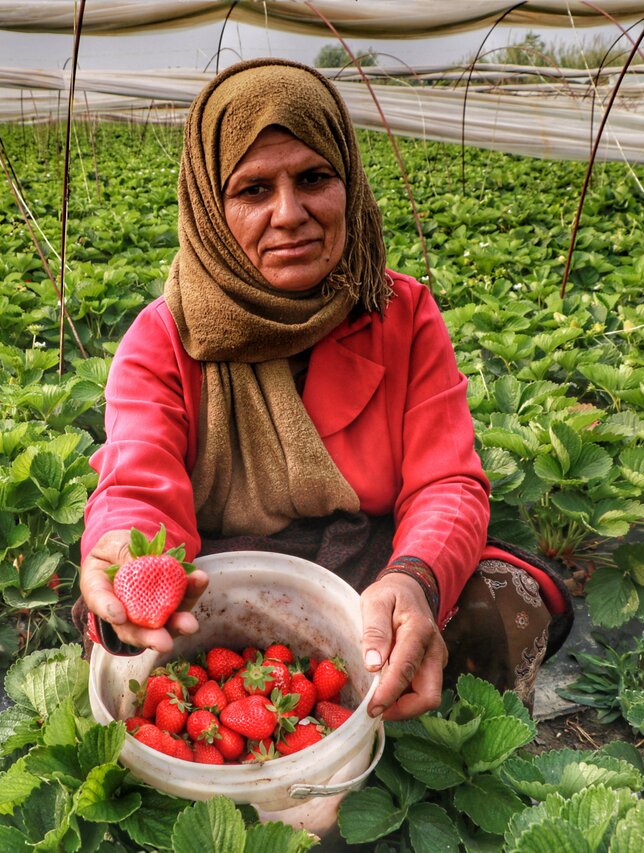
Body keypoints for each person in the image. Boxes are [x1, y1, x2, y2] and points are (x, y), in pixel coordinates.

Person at [75, 58, 570, 720]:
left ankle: (449, 758)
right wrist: (127, 550)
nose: (290, 214)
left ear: (349, 181)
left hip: (367, 572)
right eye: (252, 190)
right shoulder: (166, 338)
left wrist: (413, 578)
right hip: (220, 584)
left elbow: (446, 482)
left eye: (313, 178)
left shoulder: (400, 313)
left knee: (507, 602)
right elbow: (140, 484)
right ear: (210, 207)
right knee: (136, 645)